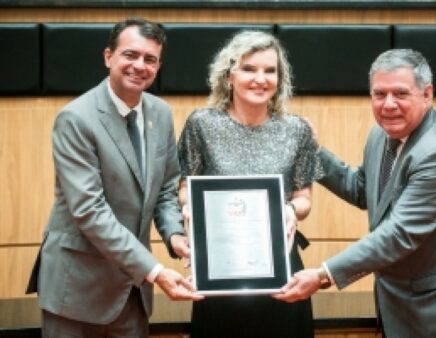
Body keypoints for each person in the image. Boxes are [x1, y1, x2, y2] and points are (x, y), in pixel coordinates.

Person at [274, 49, 436, 338]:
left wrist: (323, 274)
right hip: (401, 301)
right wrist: (314, 151)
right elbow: (363, 191)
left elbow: (399, 233)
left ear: (427, 94)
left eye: (400, 94)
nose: (388, 105)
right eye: (379, 94)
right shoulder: (382, 134)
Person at [26, 17, 202, 338]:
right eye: (130, 55)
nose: (139, 65)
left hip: (132, 293)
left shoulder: (160, 113)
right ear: (109, 57)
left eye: (150, 59)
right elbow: (89, 212)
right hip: (78, 290)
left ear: (158, 66)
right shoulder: (76, 119)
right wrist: (156, 271)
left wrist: (175, 235)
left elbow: (164, 188)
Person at [177, 30, 323, 338]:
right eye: (249, 68)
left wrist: (290, 209)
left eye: (270, 70)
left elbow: (304, 197)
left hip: (280, 262)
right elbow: (184, 187)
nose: (261, 79)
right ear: (229, 76)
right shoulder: (201, 124)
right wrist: (191, 208)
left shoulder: (296, 130)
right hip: (219, 262)